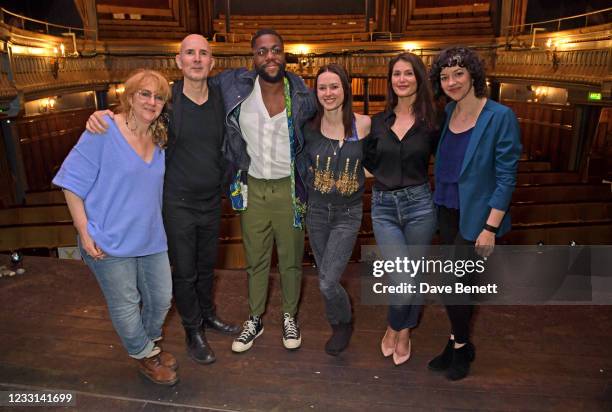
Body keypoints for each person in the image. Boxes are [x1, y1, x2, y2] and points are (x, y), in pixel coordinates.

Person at [85, 34, 239, 366]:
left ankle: (208, 314)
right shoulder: (167, 101)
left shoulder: (221, 98)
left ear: (211, 63)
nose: (197, 59)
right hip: (177, 202)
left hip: (213, 199)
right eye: (189, 53)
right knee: (184, 271)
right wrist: (105, 115)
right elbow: (134, 114)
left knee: (206, 266)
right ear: (179, 62)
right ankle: (192, 329)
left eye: (203, 53)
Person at [53, 69, 178, 385]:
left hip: (150, 237)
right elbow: (70, 183)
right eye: (144, 94)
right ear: (130, 97)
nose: (152, 101)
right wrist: (84, 230)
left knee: (162, 298)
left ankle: (145, 346)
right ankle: (145, 355)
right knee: (126, 304)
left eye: (159, 96)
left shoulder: (160, 135)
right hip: (106, 238)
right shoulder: (103, 129)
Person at [211, 28, 316, 353]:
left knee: (290, 261)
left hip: (289, 189)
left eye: (275, 50)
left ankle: (289, 316)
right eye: (262, 51)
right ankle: (254, 319)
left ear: (284, 54)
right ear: (252, 57)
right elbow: (190, 87)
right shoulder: (234, 88)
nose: (269, 56)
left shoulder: (302, 95)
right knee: (255, 261)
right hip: (252, 186)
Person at [428, 46, 521, 380]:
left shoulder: (499, 116)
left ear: (473, 75)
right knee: (459, 285)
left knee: (451, 284)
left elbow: (506, 175)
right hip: (446, 208)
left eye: (458, 74)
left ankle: (461, 346)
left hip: (477, 217)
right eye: (445, 76)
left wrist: (490, 227)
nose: (451, 81)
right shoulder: (448, 111)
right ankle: (456, 341)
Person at [363, 52, 439, 366]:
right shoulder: (378, 121)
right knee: (402, 278)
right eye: (397, 74)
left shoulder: (434, 121)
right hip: (383, 207)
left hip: (421, 204)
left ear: (418, 78)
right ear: (390, 80)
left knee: (414, 275)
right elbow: (365, 164)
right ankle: (398, 324)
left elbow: (449, 161)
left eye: (409, 73)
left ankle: (402, 330)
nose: (402, 79)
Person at [303, 64, 370, 355]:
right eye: (322, 88)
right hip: (316, 211)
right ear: (316, 93)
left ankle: (342, 322)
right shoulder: (309, 128)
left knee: (328, 282)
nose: (328, 93)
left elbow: (376, 161)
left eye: (334, 86)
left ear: (345, 89)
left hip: (348, 213)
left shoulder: (365, 124)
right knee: (324, 277)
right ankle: (340, 317)